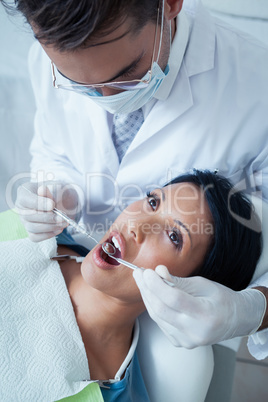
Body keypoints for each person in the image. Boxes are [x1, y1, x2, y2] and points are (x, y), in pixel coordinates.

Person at [2, 0, 268, 357]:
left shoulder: (257, 87)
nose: (105, 98)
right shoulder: (53, 50)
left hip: (192, 327)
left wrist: (250, 310)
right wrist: (61, 191)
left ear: (169, 4)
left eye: (126, 73)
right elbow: (55, 150)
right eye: (78, 83)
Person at [0, 170, 263, 401]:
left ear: (191, 289)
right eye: (153, 201)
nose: (136, 224)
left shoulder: (105, 394)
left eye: (174, 236)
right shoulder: (30, 227)